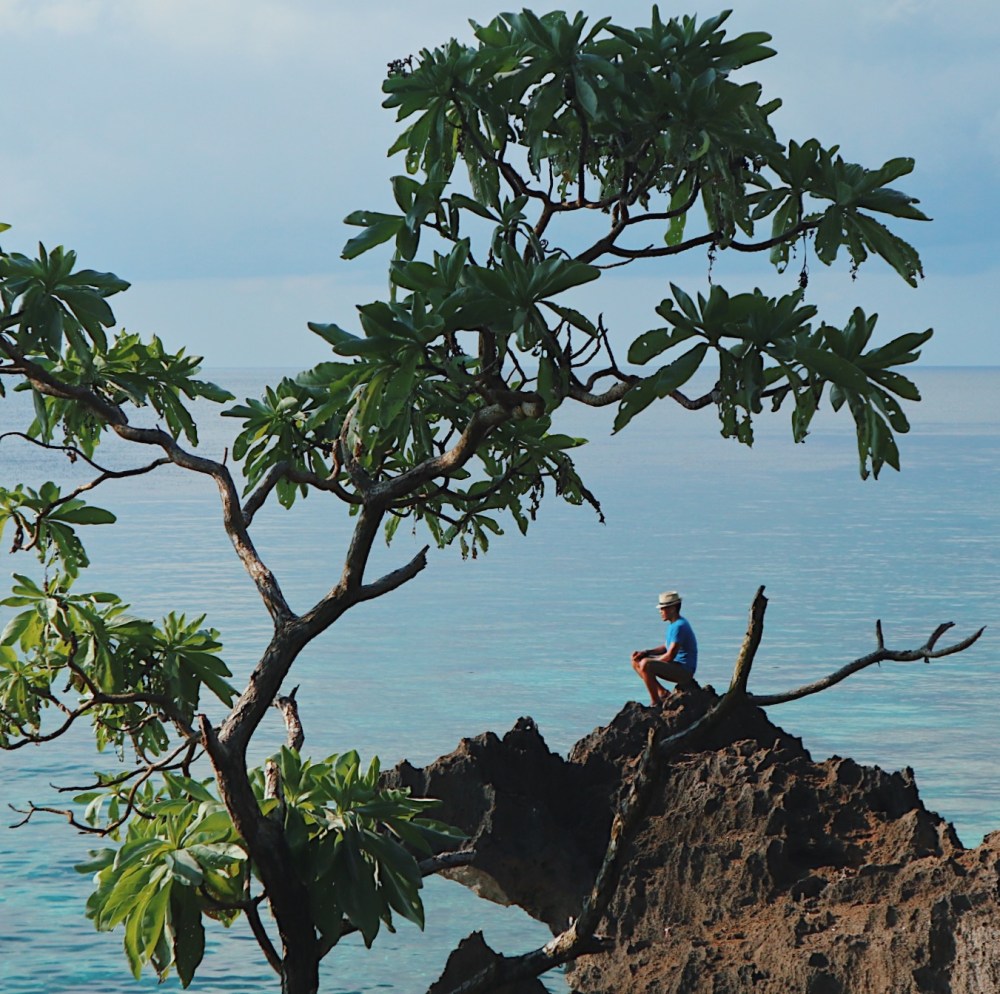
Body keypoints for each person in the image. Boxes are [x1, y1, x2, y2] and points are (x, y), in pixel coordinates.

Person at [631, 590, 698, 705]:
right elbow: (666, 647)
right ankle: (662, 692)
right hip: (676, 666)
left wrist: (649, 662)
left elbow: (670, 655)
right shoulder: (674, 624)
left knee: (646, 664)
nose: (660, 612)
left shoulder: (679, 626)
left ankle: (655, 702)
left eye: (663, 609)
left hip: (684, 671)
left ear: (672, 608)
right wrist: (646, 653)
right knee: (636, 661)